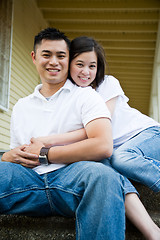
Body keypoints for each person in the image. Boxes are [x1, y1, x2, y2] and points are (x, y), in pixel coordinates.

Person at [1, 27, 129, 240]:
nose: (54, 61)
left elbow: (103, 145)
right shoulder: (21, 106)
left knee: (105, 177)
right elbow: (16, 154)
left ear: (68, 59)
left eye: (61, 56)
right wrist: (7, 156)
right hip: (27, 180)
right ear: (34, 57)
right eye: (46, 54)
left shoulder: (86, 96)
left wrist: (45, 154)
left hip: (73, 176)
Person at [29, 36, 160, 240]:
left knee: (121, 159)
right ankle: (153, 232)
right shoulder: (68, 95)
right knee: (107, 171)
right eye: (80, 64)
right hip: (117, 148)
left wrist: (46, 142)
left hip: (147, 134)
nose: (86, 72)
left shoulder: (107, 83)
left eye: (92, 66)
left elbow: (95, 129)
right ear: (69, 63)